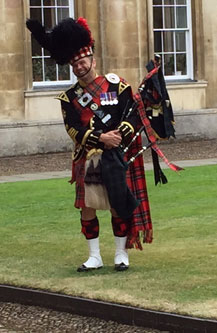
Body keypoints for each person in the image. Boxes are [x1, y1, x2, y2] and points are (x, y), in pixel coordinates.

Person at [26, 17, 153, 272]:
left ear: (93, 60)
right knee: (87, 208)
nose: (79, 67)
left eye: (83, 62)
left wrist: (119, 135)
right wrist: (100, 139)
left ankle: (121, 254)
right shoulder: (69, 98)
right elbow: (73, 129)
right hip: (88, 156)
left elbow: (133, 115)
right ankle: (94, 257)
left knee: (118, 204)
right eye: (75, 64)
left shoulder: (118, 86)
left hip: (116, 155)